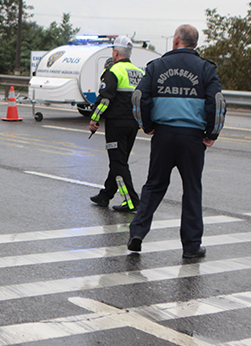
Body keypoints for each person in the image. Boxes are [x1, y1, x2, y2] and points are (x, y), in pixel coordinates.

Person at [127, 25, 225, 259]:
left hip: (163, 135)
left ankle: (137, 233)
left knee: (154, 185)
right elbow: (218, 103)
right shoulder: (205, 69)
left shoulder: (156, 66)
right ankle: (191, 246)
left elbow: (139, 97)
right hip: (192, 137)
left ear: (175, 41)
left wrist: (147, 125)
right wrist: (212, 133)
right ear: (195, 44)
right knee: (192, 189)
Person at [88, 36, 144, 212]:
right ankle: (106, 195)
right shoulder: (138, 72)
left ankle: (131, 200)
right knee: (120, 161)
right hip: (133, 123)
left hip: (117, 123)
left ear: (116, 52)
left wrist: (94, 119)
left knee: (118, 163)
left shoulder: (113, 71)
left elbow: (105, 100)